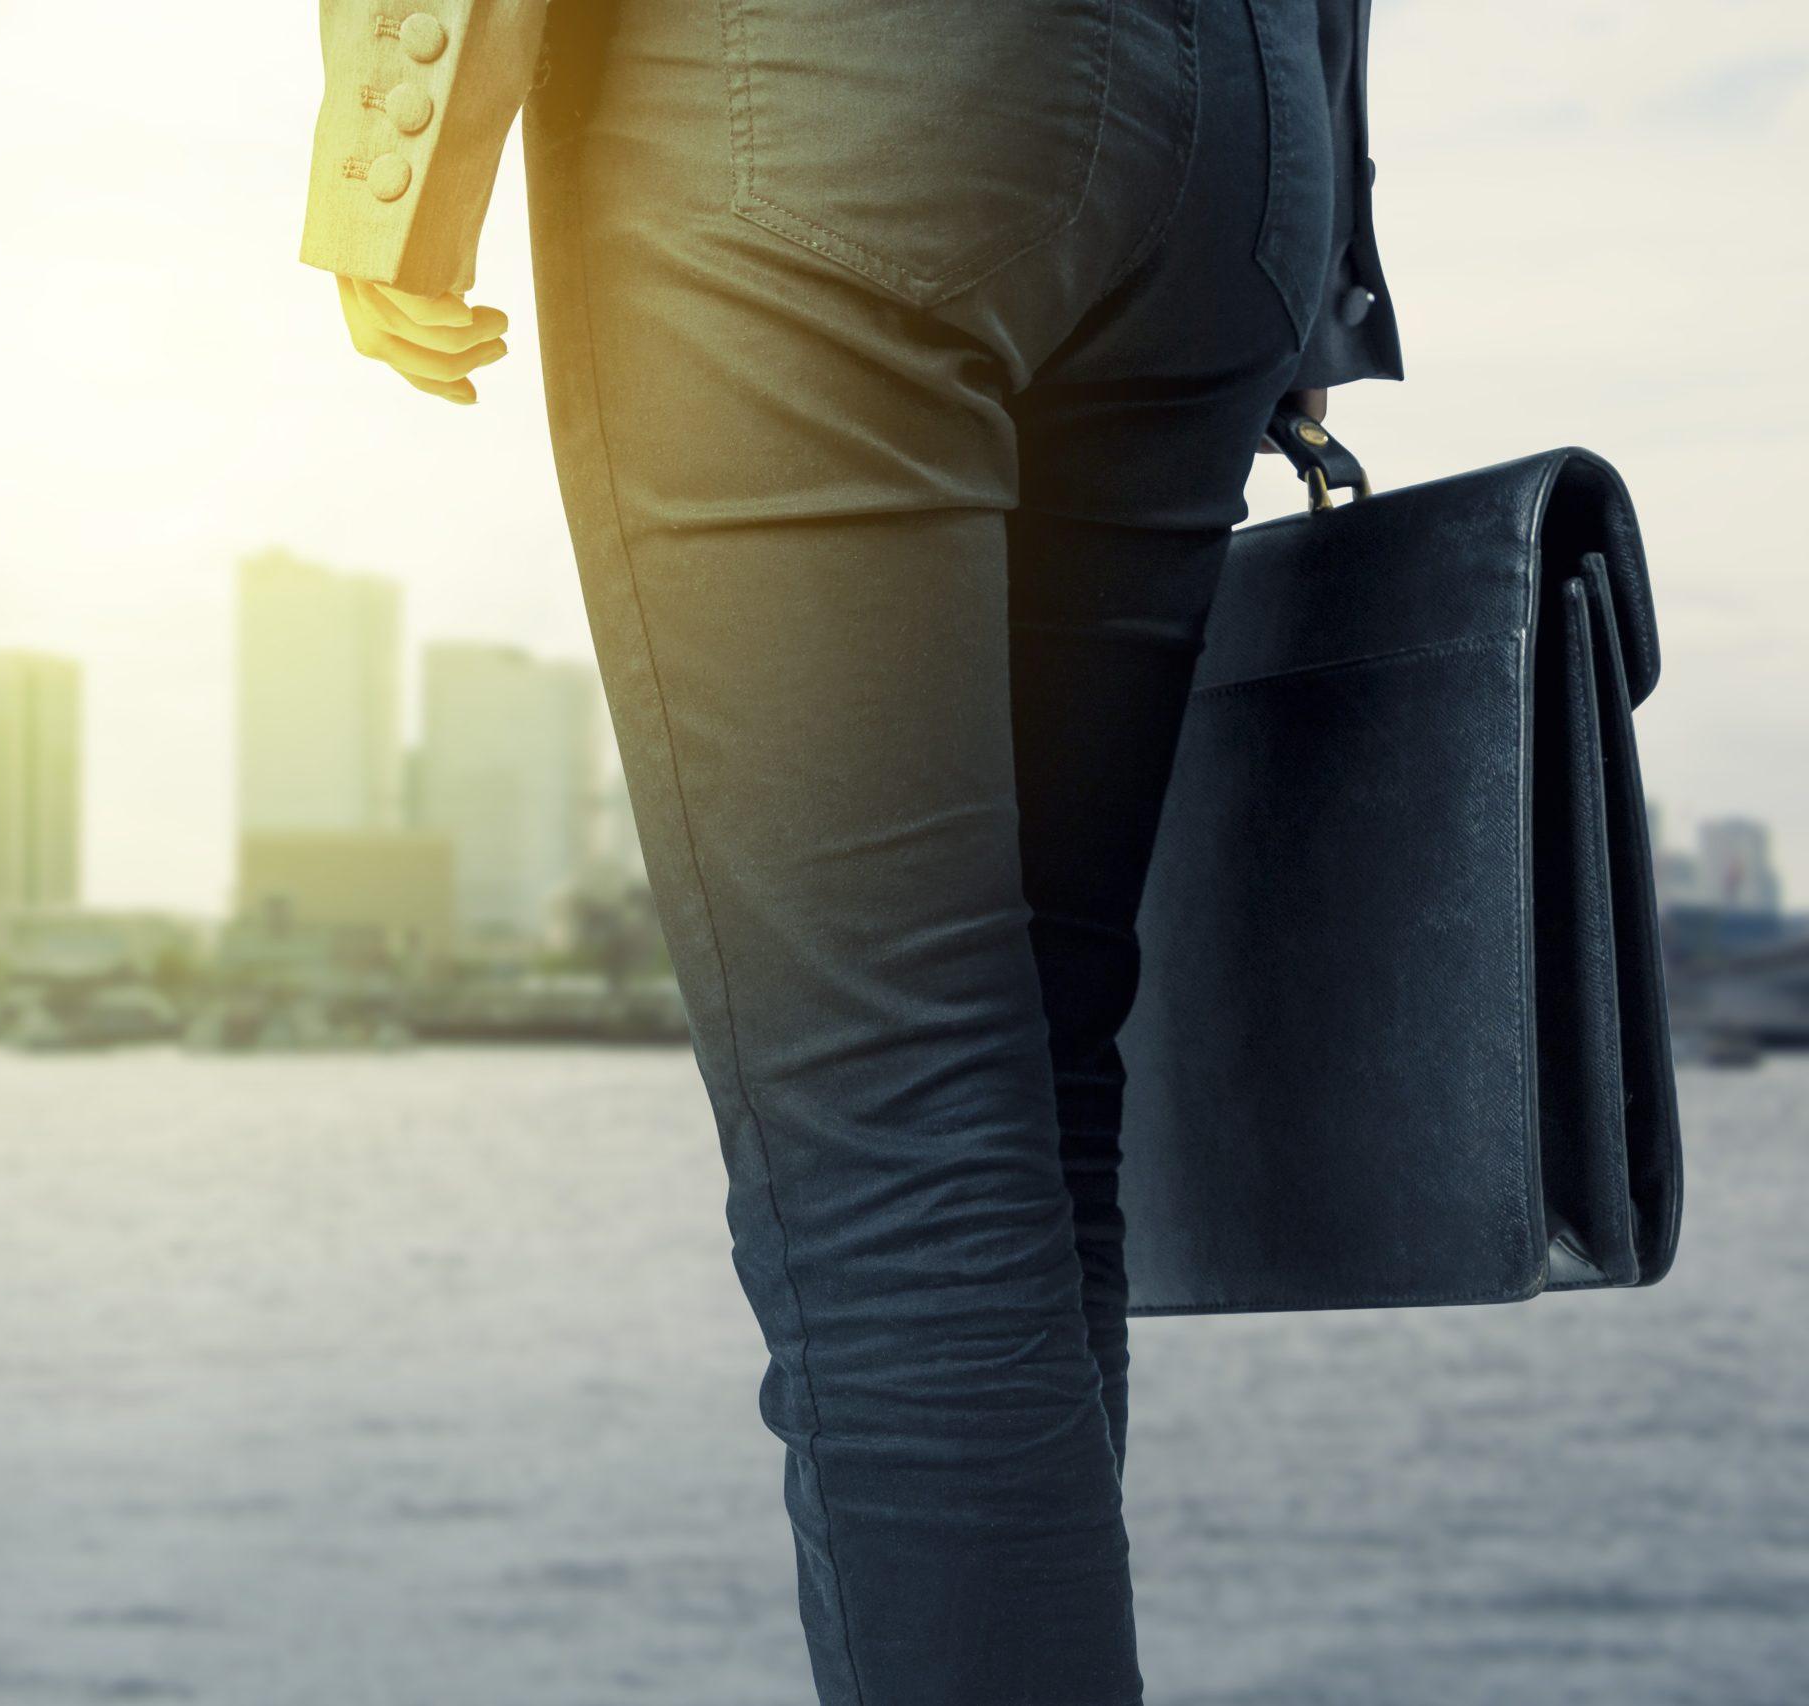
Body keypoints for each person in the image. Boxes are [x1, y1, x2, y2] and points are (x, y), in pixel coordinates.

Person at [299, 2, 1401, 1700]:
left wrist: (399, 153)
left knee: (895, 1147)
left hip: (816, 92)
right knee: (1036, 1098)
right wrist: (1316, 246)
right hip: (1238, 128)